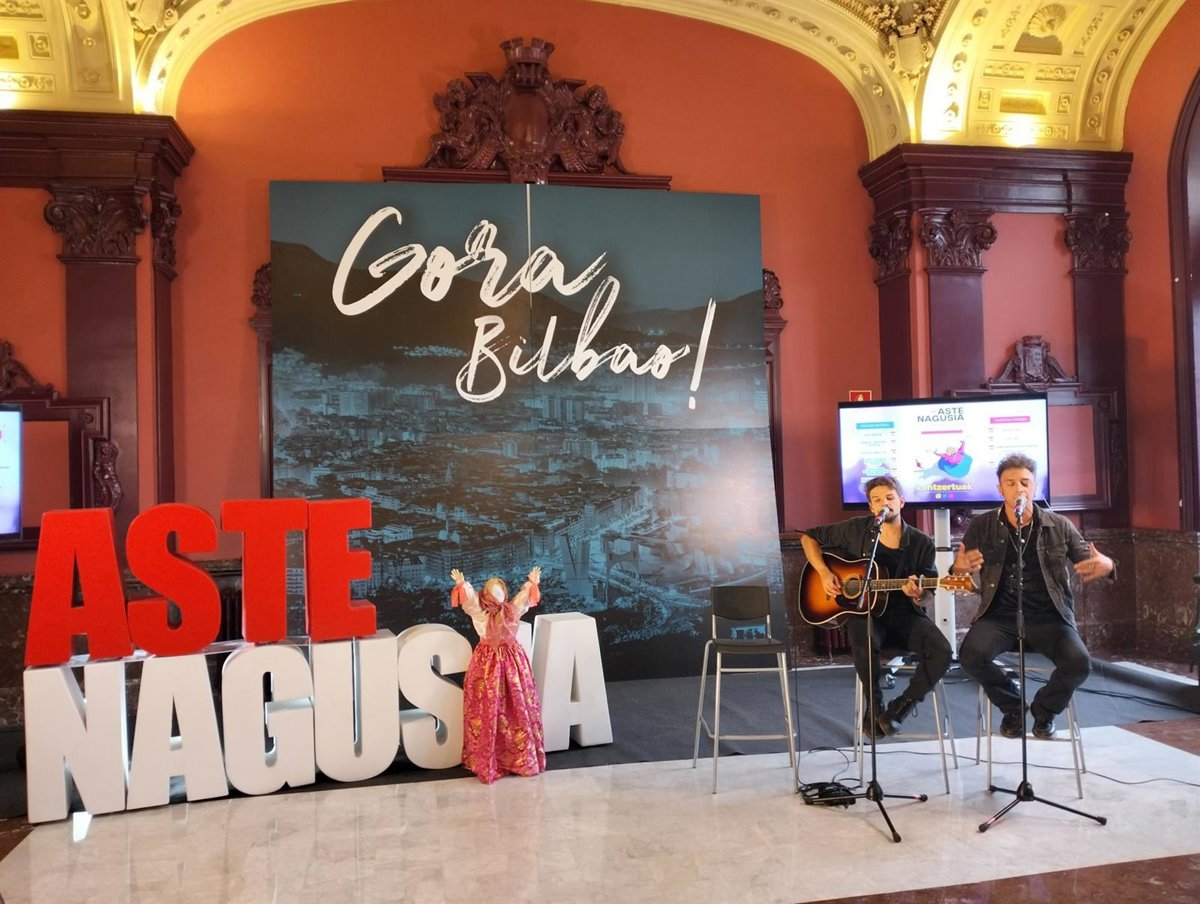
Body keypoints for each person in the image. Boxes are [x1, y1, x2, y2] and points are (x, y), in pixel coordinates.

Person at [953, 453, 1114, 739]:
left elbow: (1088, 558)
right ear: (1000, 489)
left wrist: (1108, 564)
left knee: (1079, 664)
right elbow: (960, 569)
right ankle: (1013, 707)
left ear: (1035, 486)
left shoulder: (1059, 525)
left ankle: (1044, 710)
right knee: (971, 656)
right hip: (999, 617)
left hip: (1049, 617)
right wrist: (960, 568)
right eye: (1011, 483)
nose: (1019, 489)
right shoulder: (982, 525)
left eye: (1025, 482)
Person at [801, 476, 952, 739]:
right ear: (871, 507)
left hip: (906, 616)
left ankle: (901, 707)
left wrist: (918, 595)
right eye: (877, 500)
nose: (884, 504)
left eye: (890, 498)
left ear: (901, 502)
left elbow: (928, 594)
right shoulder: (856, 529)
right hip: (866, 614)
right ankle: (874, 704)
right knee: (864, 637)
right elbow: (808, 538)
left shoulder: (922, 542)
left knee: (942, 651)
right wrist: (824, 573)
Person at [450, 566, 547, 783]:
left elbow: (523, 599)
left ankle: (520, 756)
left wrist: (532, 583)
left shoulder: (511, 611)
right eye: (494, 592)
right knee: (487, 707)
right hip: (487, 664)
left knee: (517, 705)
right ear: (486, 595)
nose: (498, 596)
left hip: (512, 662)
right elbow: (470, 601)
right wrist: (462, 585)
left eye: (501, 591)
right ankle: (490, 759)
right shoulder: (481, 613)